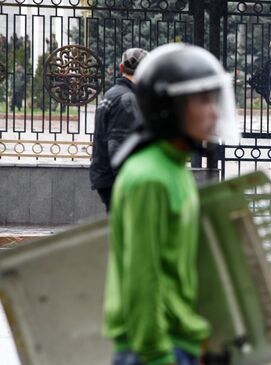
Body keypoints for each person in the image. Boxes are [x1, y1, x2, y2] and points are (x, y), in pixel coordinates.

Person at [103, 43, 238, 365]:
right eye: (202, 100)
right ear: (168, 107)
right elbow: (143, 278)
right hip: (154, 350)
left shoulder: (173, 167)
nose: (214, 112)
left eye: (214, 99)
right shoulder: (149, 176)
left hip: (179, 342)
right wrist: (157, 355)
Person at [90, 48, 148, 211]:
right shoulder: (127, 99)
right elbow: (119, 147)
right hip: (118, 181)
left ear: (121, 68)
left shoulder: (111, 94)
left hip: (106, 176)